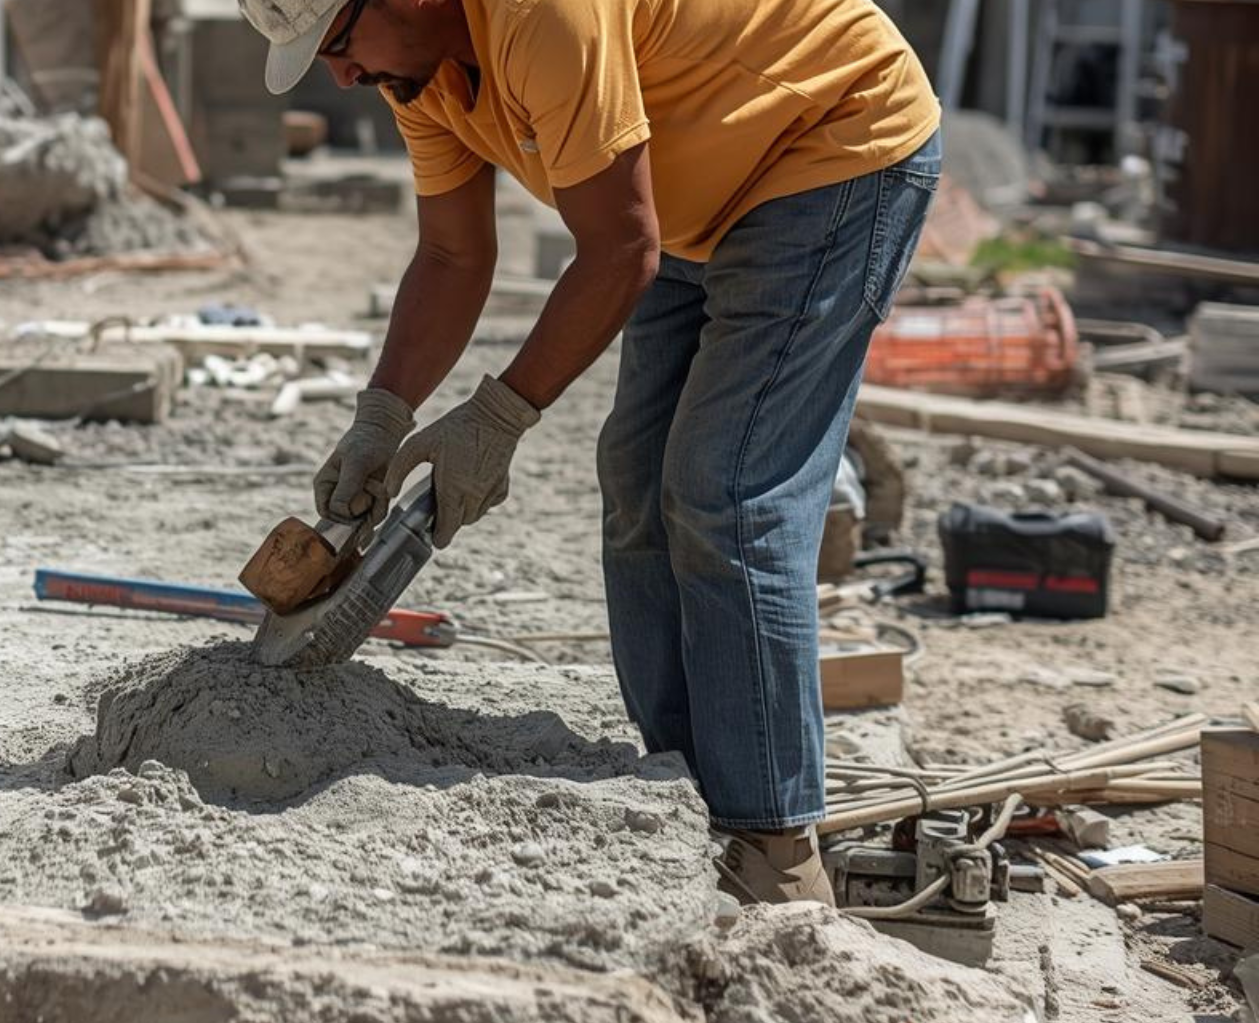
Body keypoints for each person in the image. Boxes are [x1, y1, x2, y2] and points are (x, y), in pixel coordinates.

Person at [240, 0, 941, 904]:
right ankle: (687, 791)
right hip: (690, 188)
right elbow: (454, 256)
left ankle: (773, 845)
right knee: (637, 479)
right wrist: (383, 414)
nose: (339, 78)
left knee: (724, 486)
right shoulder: (420, 71)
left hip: (829, 144)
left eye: (337, 45)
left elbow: (619, 248)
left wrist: (496, 419)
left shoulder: (539, 15)